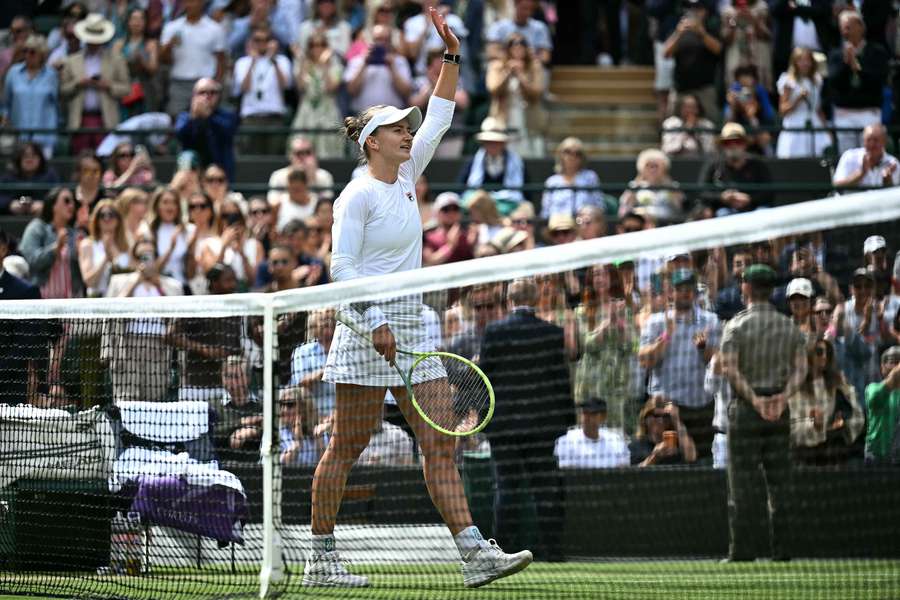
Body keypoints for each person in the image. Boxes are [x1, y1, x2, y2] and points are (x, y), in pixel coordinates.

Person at [308, 10, 531, 588]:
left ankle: (475, 552)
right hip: (363, 330)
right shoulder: (355, 197)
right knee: (346, 446)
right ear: (371, 142)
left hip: (413, 325)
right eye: (397, 129)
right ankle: (322, 558)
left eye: (409, 127)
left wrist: (451, 54)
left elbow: (441, 114)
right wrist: (374, 320)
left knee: (438, 442)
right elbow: (342, 268)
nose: (409, 132)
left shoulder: (407, 175)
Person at [719, 264, 808, 562]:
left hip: (746, 410)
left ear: (746, 288)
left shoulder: (735, 326)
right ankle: (783, 552)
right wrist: (782, 398)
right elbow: (802, 370)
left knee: (741, 486)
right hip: (778, 411)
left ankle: (742, 553)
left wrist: (756, 401)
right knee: (781, 486)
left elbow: (729, 368)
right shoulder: (789, 326)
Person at [479, 278, 572, 562]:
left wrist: (484, 420)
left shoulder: (494, 332)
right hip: (541, 426)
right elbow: (561, 379)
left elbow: (484, 379)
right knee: (544, 488)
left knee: (505, 488)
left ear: (509, 301)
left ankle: (502, 552)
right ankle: (553, 553)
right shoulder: (552, 333)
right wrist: (567, 420)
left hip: (504, 427)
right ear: (536, 300)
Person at [639, 268, 719, 460]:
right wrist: (666, 336)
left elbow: (718, 361)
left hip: (700, 407)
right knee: (668, 464)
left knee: (701, 463)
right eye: (680, 288)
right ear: (671, 291)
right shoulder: (656, 322)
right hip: (666, 410)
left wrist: (704, 347)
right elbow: (644, 361)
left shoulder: (710, 320)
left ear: (695, 291)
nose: (685, 292)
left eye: (689, 288)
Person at [101, 237, 182, 403]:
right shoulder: (119, 282)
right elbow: (112, 310)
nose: (145, 260)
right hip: (127, 347)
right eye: (141, 256)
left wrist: (157, 284)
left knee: (155, 400)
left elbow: (177, 316)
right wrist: (136, 281)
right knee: (126, 401)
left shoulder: (172, 286)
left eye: (149, 256)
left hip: (159, 346)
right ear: (134, 258)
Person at [165, 263, 243, 398]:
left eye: (234, 280)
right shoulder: (197, 304)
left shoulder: (240, 304)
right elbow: (170, 335)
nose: (233, 285)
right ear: (215, 282)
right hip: (197, 384)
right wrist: (205, 350)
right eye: (228, 280)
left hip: (231, 387)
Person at [59, 14, 131, 156]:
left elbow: (126, 89)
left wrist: (108, 85)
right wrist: (78, 84)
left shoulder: (116, 60)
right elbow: (62, 90)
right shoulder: (71, 61)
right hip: (80, 119)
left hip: (106, 119)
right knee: (79, 159)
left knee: (106, 158)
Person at [789, 338, 865, 466]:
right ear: (808, 354)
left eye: (827, 353)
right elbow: (792, 425)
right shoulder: (795, 389)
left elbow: (857, 416)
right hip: (806, 456)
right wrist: (813, 424)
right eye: (819, 352)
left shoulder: (838, 384)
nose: (824, 356)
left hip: (835, 453)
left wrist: (844, 426)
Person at [827, 10, 889, 154]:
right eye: (842, 27)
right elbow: (834, 83)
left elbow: (878, 80)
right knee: (848, 156)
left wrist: (857, 68)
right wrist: (845, 64)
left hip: (869, 112)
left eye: (848, 26)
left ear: (860, 27)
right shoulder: (836, 54)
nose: (845, 31)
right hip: (844, 113)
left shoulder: (876, 51)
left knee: (871, 154)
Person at [232, 23, 293, 156]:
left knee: (274, 158)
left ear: (272, 42)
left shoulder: (282, 61)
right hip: (250, 118)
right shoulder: (242, 62)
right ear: (251, 42)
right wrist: (252, 62)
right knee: (250, 158)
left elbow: (285, 85)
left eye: (266, 40)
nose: (262, 43)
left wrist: (273, 60)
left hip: (274, 117)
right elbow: (243, 87)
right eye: (257, 40)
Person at [160, 0, 226, 118]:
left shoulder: (215, 29)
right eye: (186, 2)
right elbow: (164, 60)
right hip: (179, 82)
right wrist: (169, 46)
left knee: (206, 120)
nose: (189, 5)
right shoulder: (172, 27)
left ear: (201, 3)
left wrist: (217, 84)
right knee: (176, 119)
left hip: (205, 84)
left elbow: (221, 60)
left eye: (193, 1)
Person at [485, 32, 545, 158]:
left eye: (521, 45)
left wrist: (521, 76)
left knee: (530, 154)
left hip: (528, 119)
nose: (517, 49)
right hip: (504, 119)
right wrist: (508, 73)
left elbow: (537, 93)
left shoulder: (534, 67)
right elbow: (493, 89)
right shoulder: (497, 66)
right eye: (513, 45)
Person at [662, 0, 723, 123]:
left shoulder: (711, 28)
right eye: (690, 8)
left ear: (705, 11)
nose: (693, 11)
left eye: (697, 8)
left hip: (704, 88)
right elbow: (666, 53)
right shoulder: (678, 30)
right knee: (672, 124)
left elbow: (719, 50)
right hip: (680, 89)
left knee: (711, 124)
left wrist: (701, 33)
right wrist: (678, 33)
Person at [19, 187, 84, 299]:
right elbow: (32, 261)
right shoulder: (37, 228)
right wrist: (56, 248)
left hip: (72, 305)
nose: (71, 206)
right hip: (41, 303)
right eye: (67, 201)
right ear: (53, 205)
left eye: (73, 202)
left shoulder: (76, 234)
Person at [1, 34, 58, 159]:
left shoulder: (51, 75)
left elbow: (56, 104)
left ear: (42, 55)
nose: (27, 55)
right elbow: (5, 104)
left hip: (44, 136)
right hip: (18, 137)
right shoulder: (13, 72)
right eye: (25, 51)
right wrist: (4, 121)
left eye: (32, 52)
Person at [698, 122, 773, 217]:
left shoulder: (758, 164)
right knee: (723, 214)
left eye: (738, 142)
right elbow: (702, 192)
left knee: (763, 213)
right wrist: (722, 197)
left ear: (745, 144)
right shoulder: (714, 165)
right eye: (728, 143)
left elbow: (769, 191)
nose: (733, 146)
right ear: (723, 146)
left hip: (754, 208)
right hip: (725, 209)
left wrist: (749, 199)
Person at [290, 32, 344, 159]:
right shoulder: (303, 65)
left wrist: (325, 65)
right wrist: (302, 60)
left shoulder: (336, 66)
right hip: (307, 111)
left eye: (321, 45)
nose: (317, 48)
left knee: (328, 148)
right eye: (313, 45)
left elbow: (331, 88)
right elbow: (301, 86)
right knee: (303, 146)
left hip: (328, 110)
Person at [175, 78, 239, 182]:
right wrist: (194, 117)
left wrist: (208, 116)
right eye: (202, 92)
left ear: (219, 95)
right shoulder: (185, 115)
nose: (207, 96)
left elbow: (228, 131)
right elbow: (180, 135)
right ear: (194, 96)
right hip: (192, 171)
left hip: (220, 171)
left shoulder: (228, 114)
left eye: (212, 92)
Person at [458, 117, 528, 210]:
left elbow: (524, 192)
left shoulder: (517, 163)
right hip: (479, 205)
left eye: (496, 142)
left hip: (506, 205)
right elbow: (460, 188)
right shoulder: (473, 162)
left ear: (503, 143)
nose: (493, 145)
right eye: (489, 142)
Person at [344, 23, 413, 116]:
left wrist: (392, 68)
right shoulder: (356, 61)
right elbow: (351, 90)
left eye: (386, 40)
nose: (381, 43)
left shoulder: (399, 61)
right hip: (363, 116)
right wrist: (364, 64)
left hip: (392, 117)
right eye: (378, 39)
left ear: (390, 41)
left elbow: (406, 92)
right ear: (369, 40)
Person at [776, 46, 832, 159]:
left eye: (807, 60)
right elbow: (782, 110)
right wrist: (797, 100)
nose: (805, 63)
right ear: (795, 62)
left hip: (814, 124)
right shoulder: (788, 81)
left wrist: (826, 130)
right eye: (800, 60)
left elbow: (818, 109)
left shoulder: (816, 80)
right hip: (795, 126)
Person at [213, 355, 263, 463]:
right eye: (227, 376)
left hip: (254, 465)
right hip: (223, 466)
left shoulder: (260, 406)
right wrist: (242, 422)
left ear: (248, 378)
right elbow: (213, 431)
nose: (231, 381)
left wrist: (253, 431)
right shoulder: (214, 405)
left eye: (236, 376)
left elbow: (269, 427)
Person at [554, 397, 630, 468]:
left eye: (592, 413)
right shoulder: (566, 441)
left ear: (603, 417)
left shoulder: (616, 442)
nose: (586, 417)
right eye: (584, 412)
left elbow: (623, 470)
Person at [77, 198, 131, 298]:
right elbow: (89, 281)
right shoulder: (88, 244)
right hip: (98, 300)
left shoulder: (126, 244)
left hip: (124, 301)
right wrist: (106, 258)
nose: (107, 218)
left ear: (118, 218)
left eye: (111, 214)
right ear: (96, 220)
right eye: (102, 215)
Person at [291, 308, 338, 422]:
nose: (329, 324)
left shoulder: (344, 350)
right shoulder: (302, 352)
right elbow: (300, 384)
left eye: (332, 320)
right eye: (324, 322)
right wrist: (325, 371)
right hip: (313, 420)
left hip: (343, 419)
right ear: (313, 326)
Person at [111, 8, 160, 117]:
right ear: (128, 22)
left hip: (144, 91)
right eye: (133, 19)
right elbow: (113, 69)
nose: (137, 23)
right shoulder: (119, 44)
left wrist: (142, 61)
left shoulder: (151, 44)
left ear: (145, 22)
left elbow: (153, 69)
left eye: (140, 19)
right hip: (123, 89)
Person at [540, 137, 602, 220]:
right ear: (560, 155)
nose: (572, 156)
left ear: (582, 157)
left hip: (582, 225)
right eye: (568, 152)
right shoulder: (551, 182)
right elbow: (545, 213)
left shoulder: (590, 177)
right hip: (558, 227)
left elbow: (599, 207)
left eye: (577, 153)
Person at [618, 148, 684, 225]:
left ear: (664, 167)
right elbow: (625, 207)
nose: (652, 169)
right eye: (648, 166)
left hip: (667, 224)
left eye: (656, 166)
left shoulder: (673, 186)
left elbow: (680, 207)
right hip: (642, 225)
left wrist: (669, 184)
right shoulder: (634, 185)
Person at [629, 397, 698, 467]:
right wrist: (655, 456)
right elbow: (634, 473)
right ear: (646, 418)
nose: (661, 420)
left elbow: (691, 458)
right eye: (656, 415)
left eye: (665, 416)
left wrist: (676, 419)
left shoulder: (677, 441)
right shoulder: (637, 445)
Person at [268, 137, 335, 209]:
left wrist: (311, 177)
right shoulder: (278, 175)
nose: (303, 157)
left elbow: (326, 205)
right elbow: (272, 204)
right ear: (291, 155)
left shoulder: (324, 176)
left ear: (314, 155)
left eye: (307, 152)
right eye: (298, 153)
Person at [720, 0, 773, 91]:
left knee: (760, 89)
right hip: (736, 58)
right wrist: (735, 19)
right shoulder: (727, 11)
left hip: (758, 57)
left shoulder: (762, 8)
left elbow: (766, 36)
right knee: (735, 90)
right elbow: (726, 40)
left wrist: (752, 19)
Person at [832, 124, 900, 189]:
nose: (871, 144)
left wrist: (887, 180)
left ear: (884, 142)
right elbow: (836, 186)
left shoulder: (893, 163)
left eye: (875, 140)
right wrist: (861, 173)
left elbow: (893, 195)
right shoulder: (849, 156)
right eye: (868, 140)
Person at [485, 0, 552, 66]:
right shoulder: (498, 26)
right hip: (506, 68)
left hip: (530, 70)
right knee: (496, 65)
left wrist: (526, 60)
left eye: (531, 10)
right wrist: (512, 59)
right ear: (515, 4)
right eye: (524, 8)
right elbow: (491, 52)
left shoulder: (540, 27)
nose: (527, 13)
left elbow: (546, 57)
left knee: (536, 66)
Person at [0, 142, 60, 215]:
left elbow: (59, 197)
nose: (29, 159)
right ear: (19, 159)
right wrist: (9, 204)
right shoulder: (8, 176)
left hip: (44, 219)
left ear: (40, 158)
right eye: (25, 156)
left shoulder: (50, 175)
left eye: (34, 155)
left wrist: (45, 205)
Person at [864, 345, 900, 466]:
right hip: (875, 459)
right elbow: (876, 397)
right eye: (892, 362)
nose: (896, 366)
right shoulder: (872, 388)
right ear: (882, 367)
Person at [279, 386, 322, 467]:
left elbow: (327, 467)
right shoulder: (275, 433)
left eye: (290, 405)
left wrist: (319, 439)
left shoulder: (317, 432)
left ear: (304, 408)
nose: (283, 410)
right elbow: (275, 465)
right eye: (281, 404)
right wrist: (297, 444)